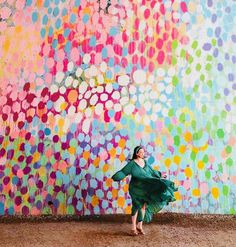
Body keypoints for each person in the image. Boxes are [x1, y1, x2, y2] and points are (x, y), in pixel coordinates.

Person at [111, 146, 178, 236]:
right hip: (135, 189)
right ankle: (133, 228)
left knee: (143, 206)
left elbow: (152, 172)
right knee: (136, 206)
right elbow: (123, 172)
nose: (142, 153)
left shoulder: (145, 162)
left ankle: (139, 226)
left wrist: (161, 175)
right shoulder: (132, 164)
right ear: (136, 153)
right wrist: (117, 176)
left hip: (144, 188)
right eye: (141, 152)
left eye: (143, 152)